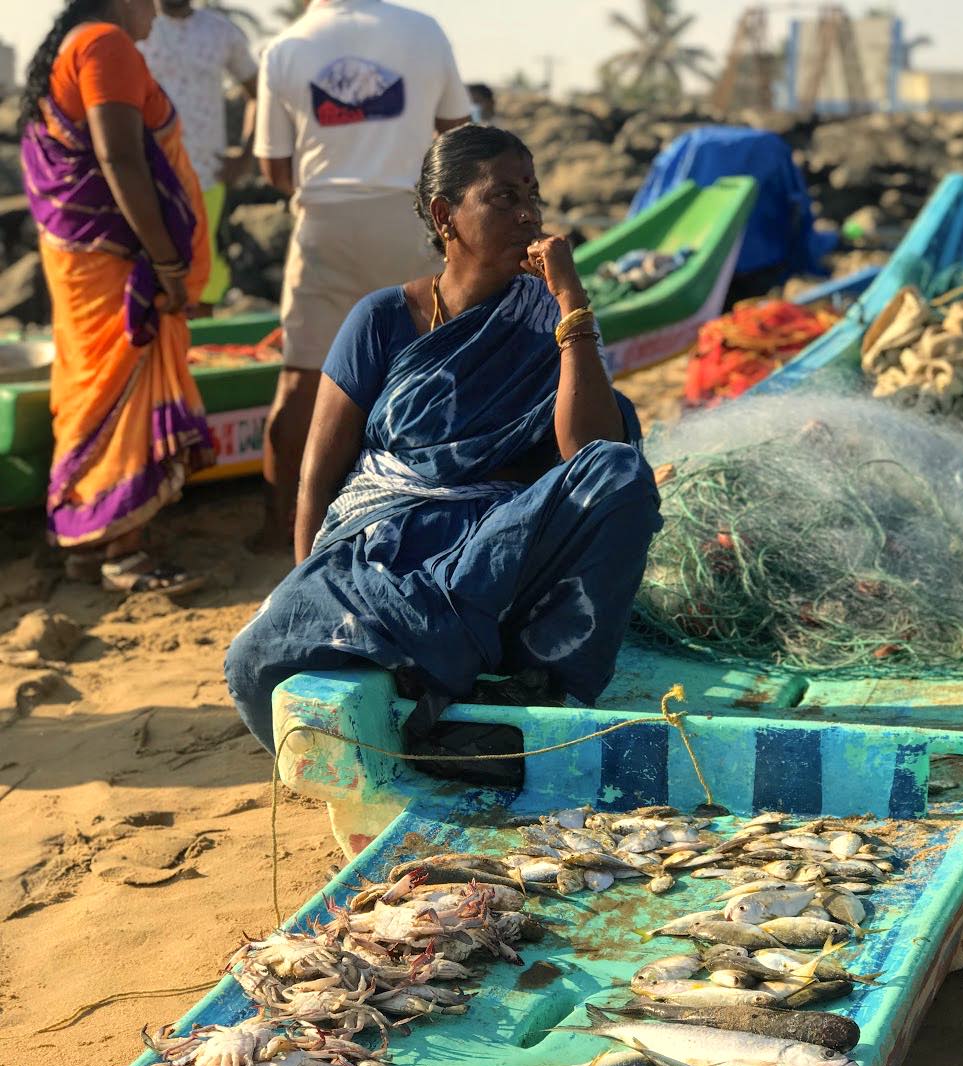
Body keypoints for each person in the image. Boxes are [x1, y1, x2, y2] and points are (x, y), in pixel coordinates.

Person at [225, 125, 661, 753]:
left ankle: (526, 683)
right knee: (269, 645)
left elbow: (590, 452)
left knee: (620, 474)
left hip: (495, 552)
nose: (527, 215)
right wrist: (306, 577)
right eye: (504, 198)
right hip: (387, 550)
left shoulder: (547, 321)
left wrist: (571, 300)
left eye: (533, 198)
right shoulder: (380, 318)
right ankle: (432, 651)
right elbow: (319, 472)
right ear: (445, 214)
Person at [252, 0, 473, 549]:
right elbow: (458, 138)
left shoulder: (285, 47)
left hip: (324, 220)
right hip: (410, 217)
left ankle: (281, 528)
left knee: (301, 377)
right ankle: (431, 509)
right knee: (434, 367)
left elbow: (276, 168)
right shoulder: (423, 29)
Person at [20, 0, 213, 593]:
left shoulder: (75, 45)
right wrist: (164, 258)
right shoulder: (105, 43)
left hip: (84, 256)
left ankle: (88, 541)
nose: (158, 13)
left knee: (91, 384)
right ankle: (124, 552)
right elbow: (119, 154)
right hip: (116, 261)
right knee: (120, 380)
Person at [139, 0, 258, 312]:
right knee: (149, 275)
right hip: (143, 176)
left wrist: (244, 156)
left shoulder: (221, 31)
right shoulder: (136, 26)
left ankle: (198, 351)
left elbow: (260, 93)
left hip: (206, 175)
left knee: (203, 274)